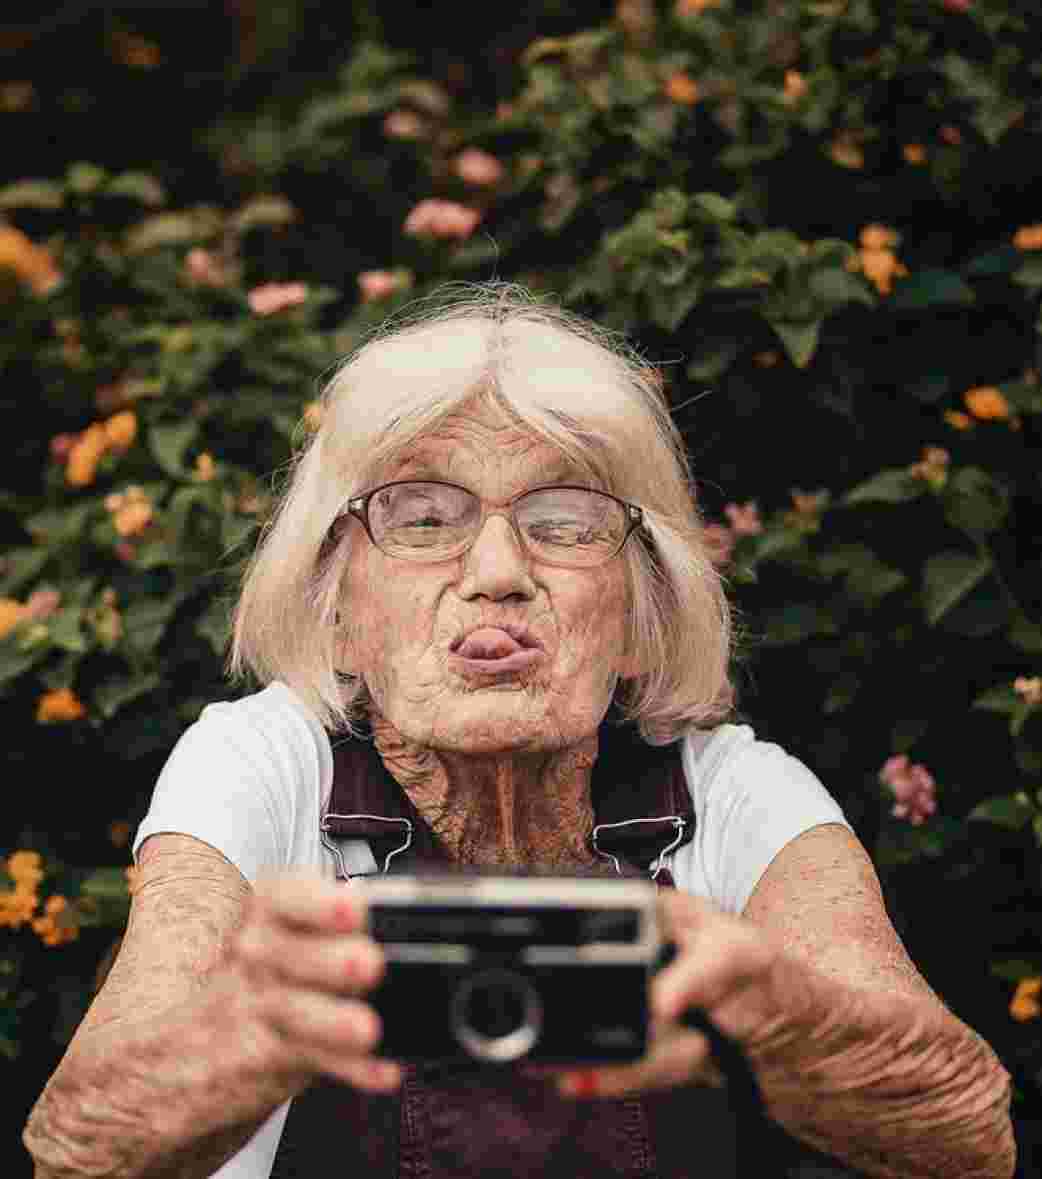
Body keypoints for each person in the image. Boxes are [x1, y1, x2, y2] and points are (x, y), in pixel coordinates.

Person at [24, 284, 1015, 1179]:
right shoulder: (260, 761)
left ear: (639, 609)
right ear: (336, 603)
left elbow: (971, 1136)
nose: (497, 569)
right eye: (420, 516)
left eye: (566, 519)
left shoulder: (732, 793)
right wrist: (254, 1027)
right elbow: (78, 1144)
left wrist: (772, 1005)